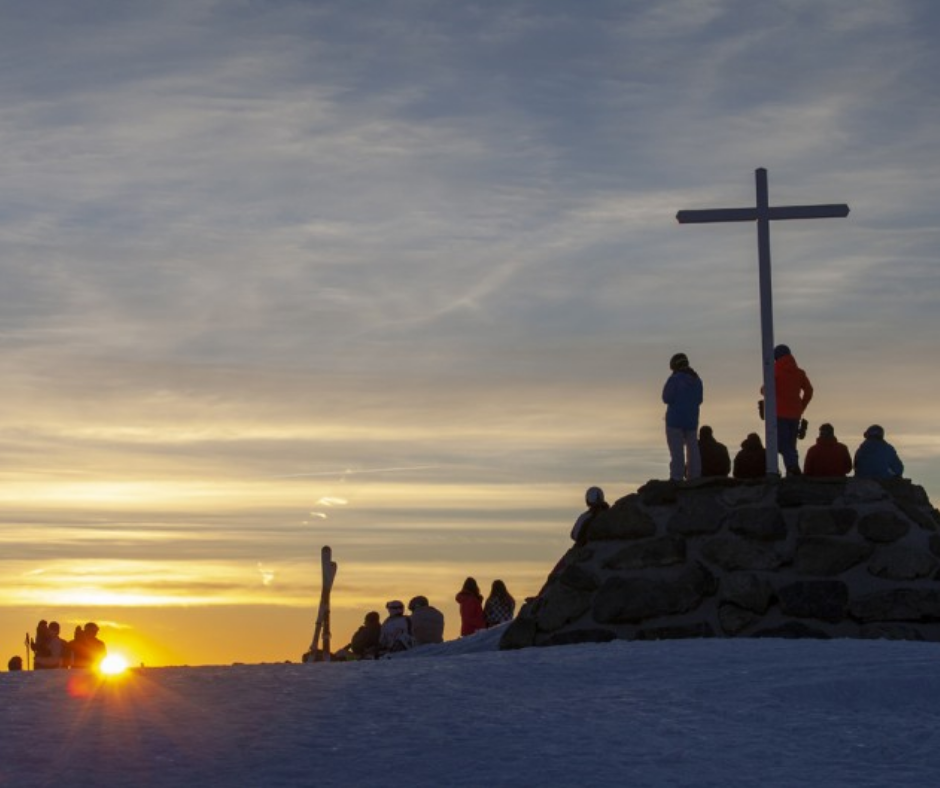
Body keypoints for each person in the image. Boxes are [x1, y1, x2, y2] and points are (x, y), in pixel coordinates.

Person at [762, 344, 813, 476]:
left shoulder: (774, 372)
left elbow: (766, 390)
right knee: (791, 444)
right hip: (795, 415)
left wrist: (763, 391)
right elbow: (809, 391)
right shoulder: (799, 373)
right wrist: (801, 406)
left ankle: (791, 467)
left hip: (779, 414)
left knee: (782, 444)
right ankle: (792, 470)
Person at [662, 352, 704, 481]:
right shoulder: (697, 380)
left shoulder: (674, 379)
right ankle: (694, 475)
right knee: (693, 449)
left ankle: (677, 476)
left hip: (674, 420)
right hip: (691, 420)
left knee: (677, 451)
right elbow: (699, 399)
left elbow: (666, 397)